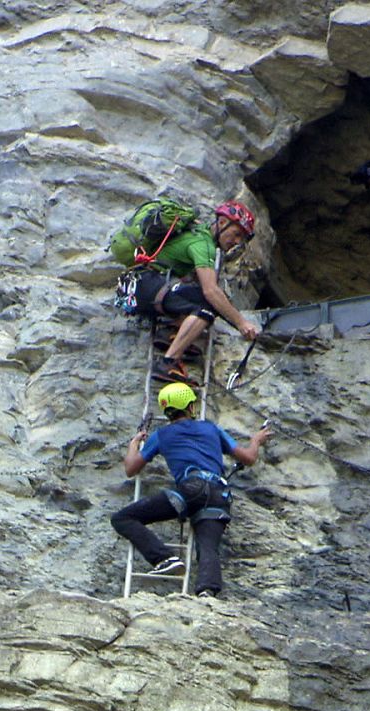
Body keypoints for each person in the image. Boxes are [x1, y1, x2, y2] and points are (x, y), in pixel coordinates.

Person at [110, 382, 272, 597]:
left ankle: (164, 558)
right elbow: (248, 458)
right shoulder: (210, 428)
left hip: (190, 489)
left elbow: (131, 468)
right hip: (219, 494)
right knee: (207, 547)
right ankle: (207, 591)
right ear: (189, 406)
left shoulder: (162, 435)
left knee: (123, 518)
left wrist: (134, 443)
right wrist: (256, 440)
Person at [132, 201, 263, 384]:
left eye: (241, 238)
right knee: (208, 305)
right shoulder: (203, 244)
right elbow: (211, 291)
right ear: (223, 223)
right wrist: (241, 323)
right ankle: (167, 363)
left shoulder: (197, 233)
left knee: (196, 294)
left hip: (140, 285)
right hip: (148, 285)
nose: (236, 242)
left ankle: (170, 334)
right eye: (236, 234)